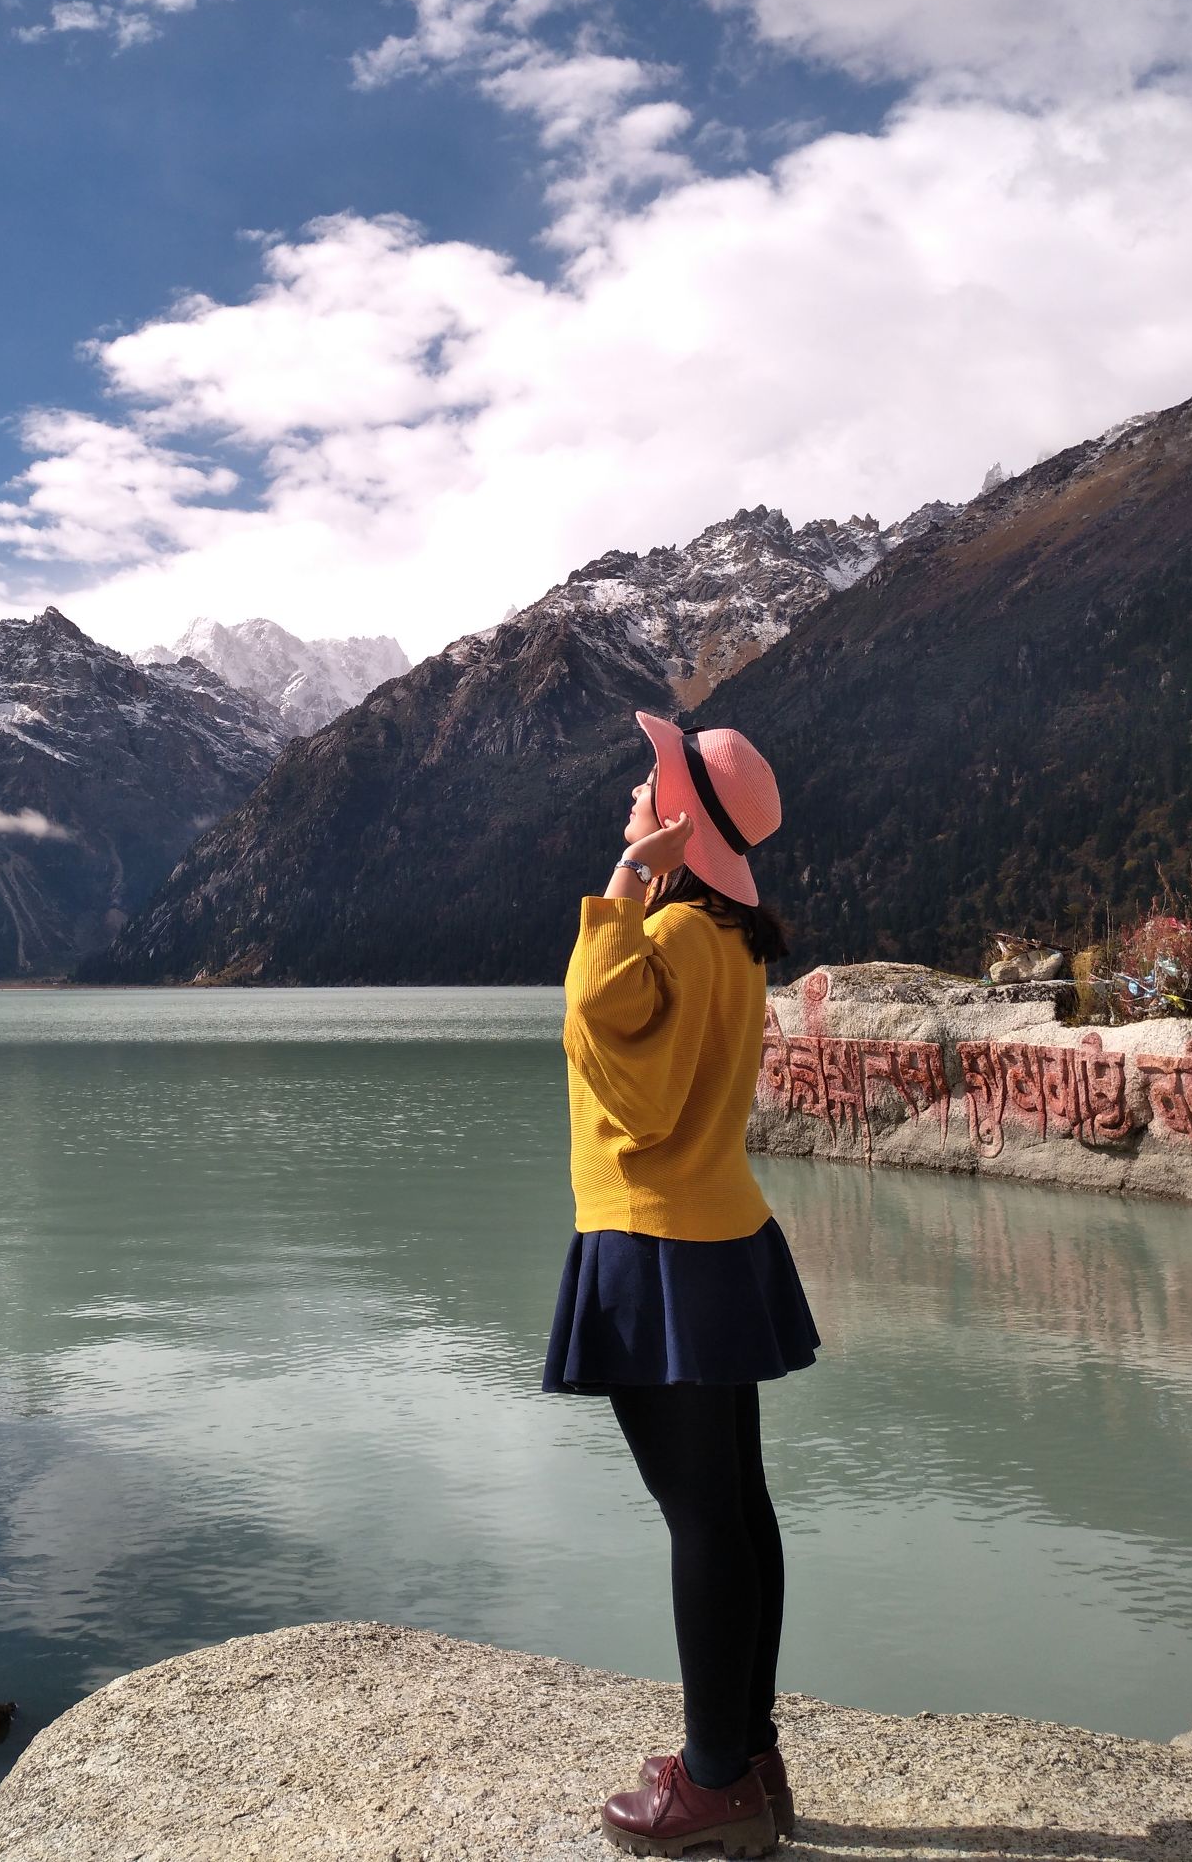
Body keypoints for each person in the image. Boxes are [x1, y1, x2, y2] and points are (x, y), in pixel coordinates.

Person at [543, 713, 818, 1860]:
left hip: (656, 1246)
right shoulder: (731, 935)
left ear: (676, 813)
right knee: (737, 1505)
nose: (626, 796)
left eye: (642, 788)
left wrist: (622, 876)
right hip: (718, 1236)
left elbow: (600, 1023)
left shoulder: (676, 937)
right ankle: (743, 1751)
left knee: (701, 1516)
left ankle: (713, 1782)